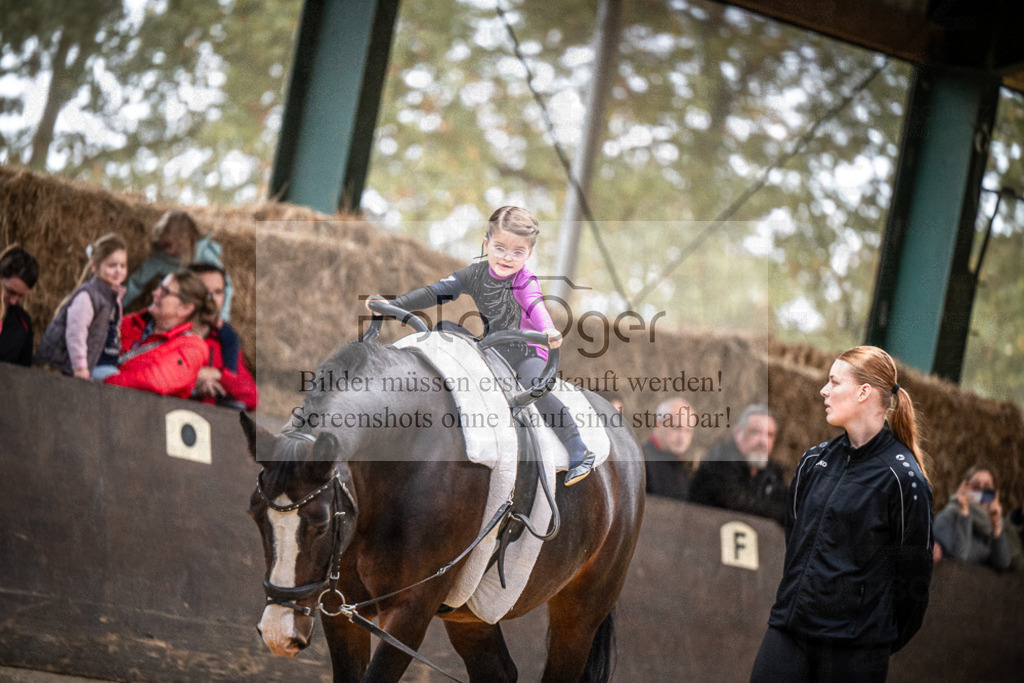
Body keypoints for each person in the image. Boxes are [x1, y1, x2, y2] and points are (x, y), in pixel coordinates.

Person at [366, 206, 596, 486]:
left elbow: (536, 305)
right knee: (443, 332)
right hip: (494, 347)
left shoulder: (525, 281)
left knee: (534, 383)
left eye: (517, 252)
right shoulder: (474, 274)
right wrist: (392, 306)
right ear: (487, 244)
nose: (507, 258)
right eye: (500, 248)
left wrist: (548, 328)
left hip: (527, 350)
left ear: (529, 254)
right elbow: (433, 293)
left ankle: (577, 448)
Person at [750, 346, 933, 683]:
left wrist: (873, 638)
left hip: (856, 648)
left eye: (834, 382)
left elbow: (913, 581)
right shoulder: (813, 461)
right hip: (790, 630)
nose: (824, 390)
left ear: (864, 392)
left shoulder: (904, 478)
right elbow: (796, 543)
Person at [104, 269, 212, 398]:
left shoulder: (193, 348)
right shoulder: (131, 322)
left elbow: (158, 379)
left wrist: (102, 383)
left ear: (184, 309)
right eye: (159, 288)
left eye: (165, 292)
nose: (155, 293)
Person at [35, 233, 127, 380]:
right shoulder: (88, 296)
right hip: (66, 366)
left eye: (122, 265)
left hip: (93, 364)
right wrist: (80, 368)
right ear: (95, 267)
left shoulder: (114, 298)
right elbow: (76, 333)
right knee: (117, 382)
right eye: (112, 265)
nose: (118, 270)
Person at [122, 210, 233, 321]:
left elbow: (225, 286)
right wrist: (117, 306)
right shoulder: (160, 257)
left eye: (168, 245)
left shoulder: (204, 253)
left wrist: (223, 316)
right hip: (170, 311)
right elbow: (136, 283)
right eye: (162, 244)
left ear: (183, 240)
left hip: (200, 309)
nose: (165, 248)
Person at [689, 404, 787, 524]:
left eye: (769, 435)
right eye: (755, 432)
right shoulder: (720, 462)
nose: (763, 441)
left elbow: (788, 508)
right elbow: (739, 505)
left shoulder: (773, 472)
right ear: (737, 433)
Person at [186, 262, 259, 410]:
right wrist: (193, 383)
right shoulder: (165, 334)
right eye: (205, 292)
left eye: (218, 292)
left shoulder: (224, 342)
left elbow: (251, 396)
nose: (212, 299)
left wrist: (218, 375)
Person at [932, 464, 1021, 572]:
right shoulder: (946, 517)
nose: (981, 491)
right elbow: (959, 556)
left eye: (987, 488)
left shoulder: (996, 524)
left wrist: (996, 525)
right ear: (964, 487)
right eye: (976, 486)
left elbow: (1003, 563)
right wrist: (964, 512)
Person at [643, 397, 697, 500]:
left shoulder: (683, 468)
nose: (682, 438)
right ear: (658, 425)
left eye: (688, 431)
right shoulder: (641, 460)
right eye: (677, 428)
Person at [0, 245, 40, 366]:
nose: (13, 301)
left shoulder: (23, 324)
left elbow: (23, 371)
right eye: (10, 291)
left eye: (20, 296)